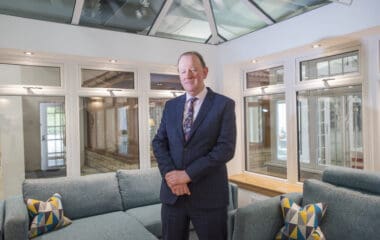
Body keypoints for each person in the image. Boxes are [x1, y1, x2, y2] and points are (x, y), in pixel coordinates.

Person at [152, 51, 237, 240]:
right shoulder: (171, 106)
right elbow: (159, 142)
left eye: (193, 70)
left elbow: (225, 149)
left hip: (209, 196)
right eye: (183, 71)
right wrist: (171, 177)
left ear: (205, 72)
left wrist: (187, 175)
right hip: (173, 197)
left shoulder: (224, 105)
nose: (188, 76)